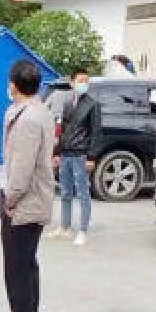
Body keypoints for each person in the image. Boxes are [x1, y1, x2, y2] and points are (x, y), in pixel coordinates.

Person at [0, 60, 55, 312]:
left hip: (24, 202)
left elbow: (22, 168)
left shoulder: (28, 119)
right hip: (31, 199)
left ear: (14, 85)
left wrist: (11, 198)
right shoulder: (36, 111)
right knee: (26, 263)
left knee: (17, 264)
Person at [51, 68, 101, 245]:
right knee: (65, 192)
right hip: (66, 153)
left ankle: (82, 230)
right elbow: (61, 130)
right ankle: (64, 227)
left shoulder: (92, 104)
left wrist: (91, 157)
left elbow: (95, 133)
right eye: (80, 80)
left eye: (86, 80)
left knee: (83, 193)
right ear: (72, 83)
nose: (83, 84)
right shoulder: (67, 103)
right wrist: (56, 152)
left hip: (81, 154)